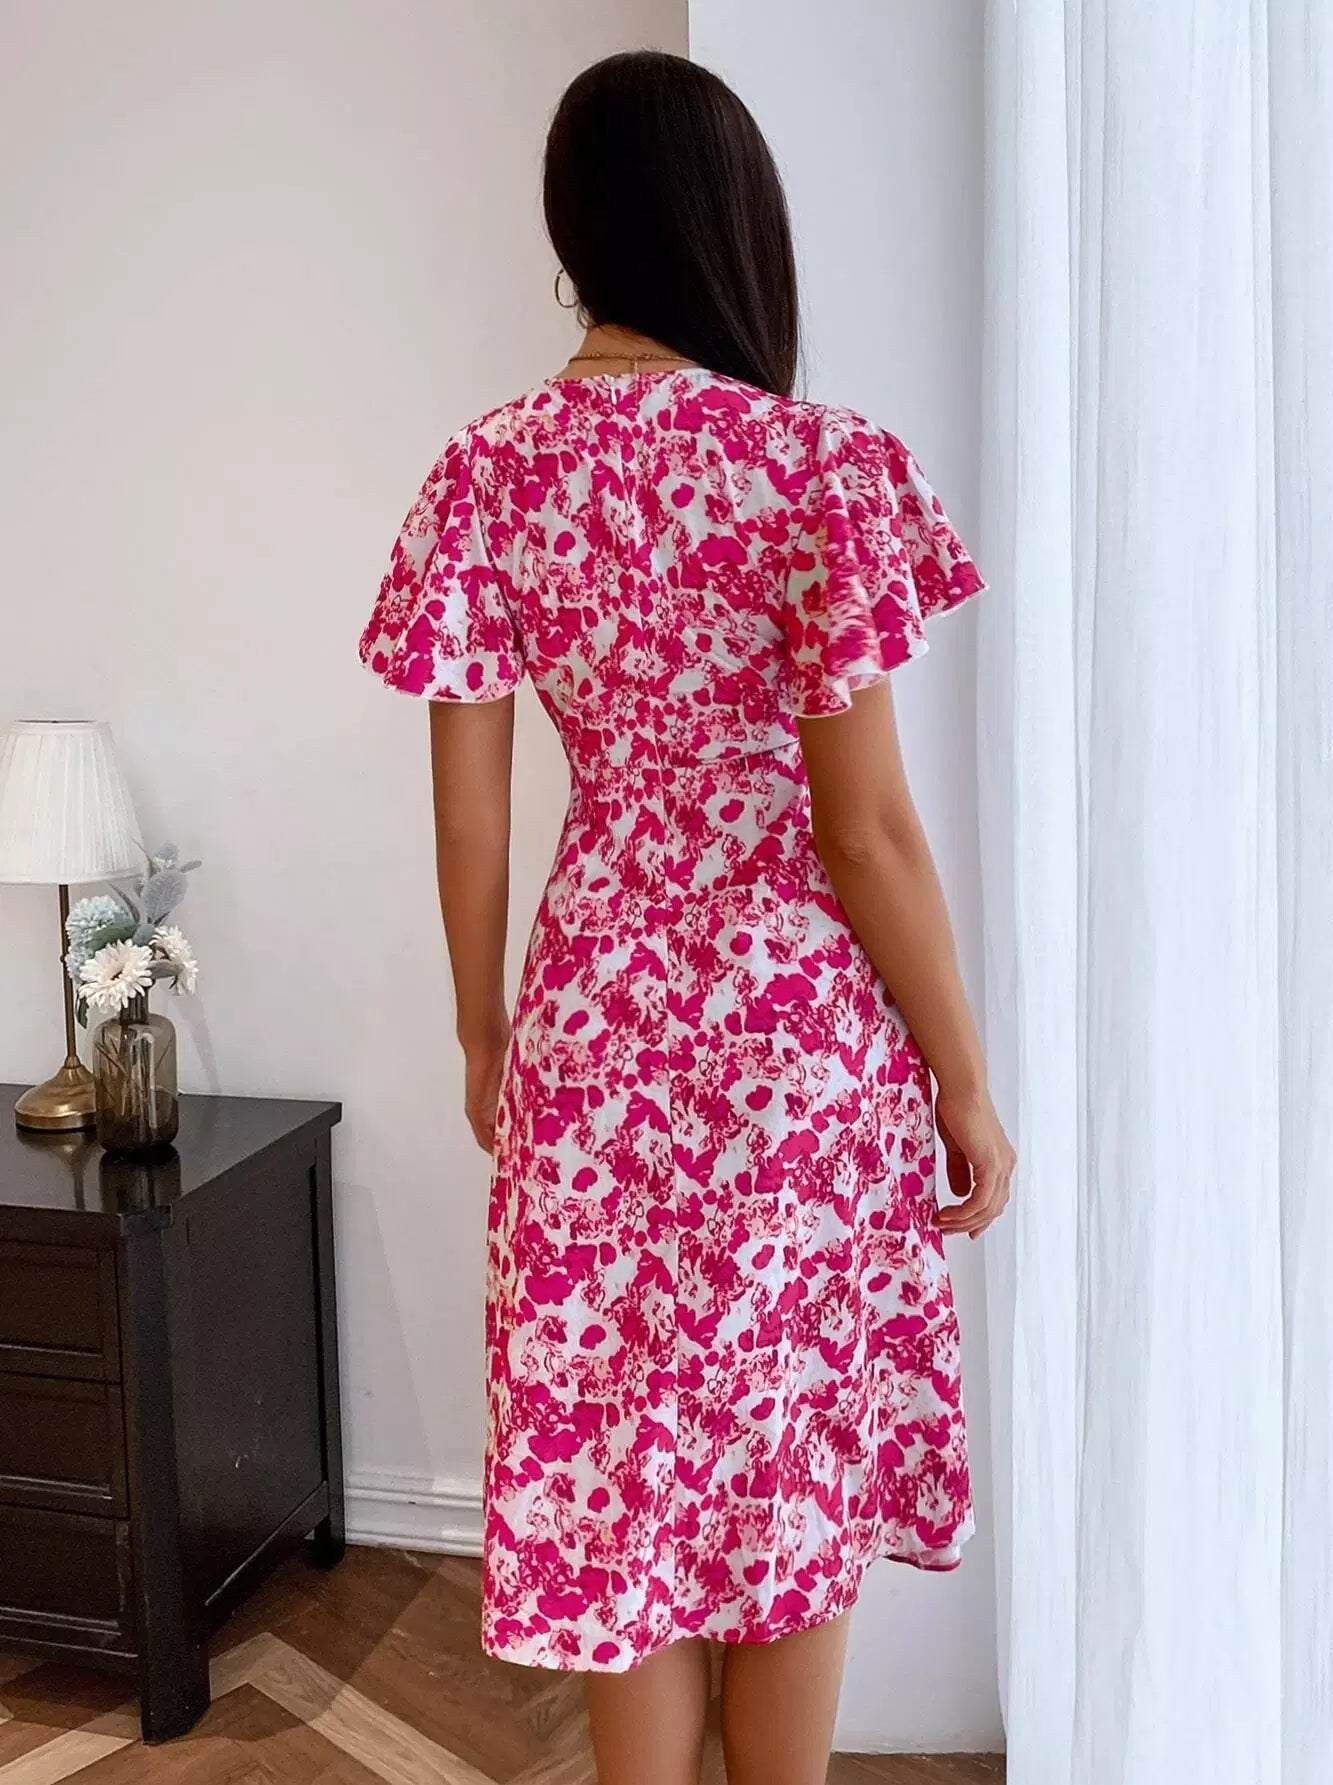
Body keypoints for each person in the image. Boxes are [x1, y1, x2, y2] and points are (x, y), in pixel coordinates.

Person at [360, 47, 1015, 1785]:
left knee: (625, 1489)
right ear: (732, 224)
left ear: (575, 232)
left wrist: (484, 1030)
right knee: (784, 1471)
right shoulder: (818, 471)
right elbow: (865, 831)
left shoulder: (489, 474)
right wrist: (960, 1074)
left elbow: (472, 811)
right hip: (795, 1055)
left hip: (594, 1029)